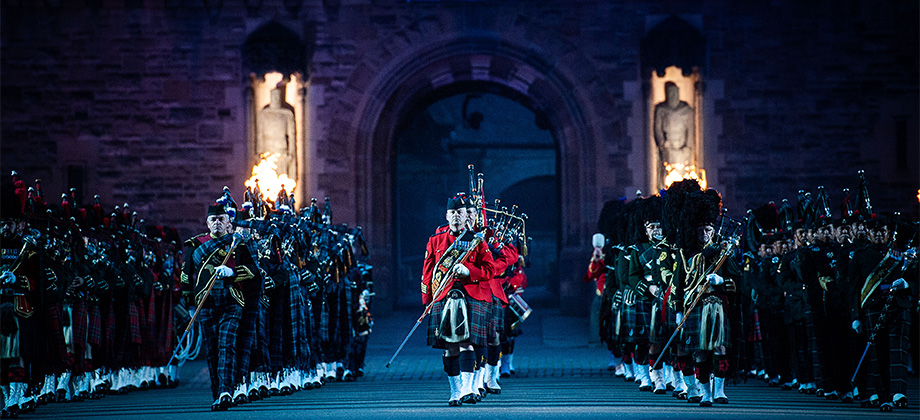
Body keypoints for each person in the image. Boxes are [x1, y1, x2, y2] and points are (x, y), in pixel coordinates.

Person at [182, 200, 260, 411]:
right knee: (213, 349)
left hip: (232, 299)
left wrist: (233, 273)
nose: (217, 223)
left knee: (227, 344)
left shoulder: (239, 244)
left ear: (228, 222)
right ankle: (218, 392)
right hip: (205, 302)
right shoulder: (197, 244)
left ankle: (227, 390)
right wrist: (190, 303)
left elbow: (254, 269)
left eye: (221, 219)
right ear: (207, 223)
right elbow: (187, 274)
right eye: (213, 220)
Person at [421, 195, 495, 406]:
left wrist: (468, 270)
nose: (456, 217)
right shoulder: (435, 240)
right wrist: (428, 301)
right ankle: (455, 392)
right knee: (450, 347)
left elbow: (489, 269)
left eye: (460, 213)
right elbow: (427, 273)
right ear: (446, 216)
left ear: (466, 217)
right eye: (452, 213)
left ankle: (468, 389)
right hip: (444, 297)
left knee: (467, 344)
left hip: (470, 295)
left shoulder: (476, 240)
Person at [653, 82, 695, 175]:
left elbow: (690, 129)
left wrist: (688, 146)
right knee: (667, 172)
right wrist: (662, 142)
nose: (673, 96)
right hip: (668, 145)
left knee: (682, 172)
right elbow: (658, 128)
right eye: (671, 93)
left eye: (675, 93)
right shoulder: (661, 109)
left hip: (681, 145)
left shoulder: (686, 110)